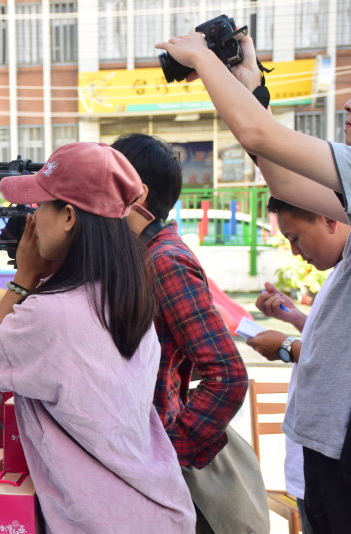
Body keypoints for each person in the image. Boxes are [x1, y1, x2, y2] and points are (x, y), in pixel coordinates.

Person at [157, 29, 351, 533]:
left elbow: (265, 142)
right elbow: (286, 180)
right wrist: (250, 91)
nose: (347, 106)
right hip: (328, 445)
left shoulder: (164, 259)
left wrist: (202, 58)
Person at [0, 142, 196, 533]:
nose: (32, 220)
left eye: (40, 206)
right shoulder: (129, 293)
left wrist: (23, 280)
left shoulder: (51, 313)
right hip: (160, 509)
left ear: (69, 216)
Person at [114, 134, 253, 532]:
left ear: (137, 193)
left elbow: (228, 374)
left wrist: (173, 450)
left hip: (158, 469)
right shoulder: (139, 255)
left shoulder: (165, 262)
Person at [248, 196, 350, 534]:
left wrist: (285, 347)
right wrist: (293, 318)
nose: (294, 251)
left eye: (294, 237)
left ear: (329, 219)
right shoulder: (337, 275)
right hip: (313, 456)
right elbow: (333, 342)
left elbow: (334, 359)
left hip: (333, 460)